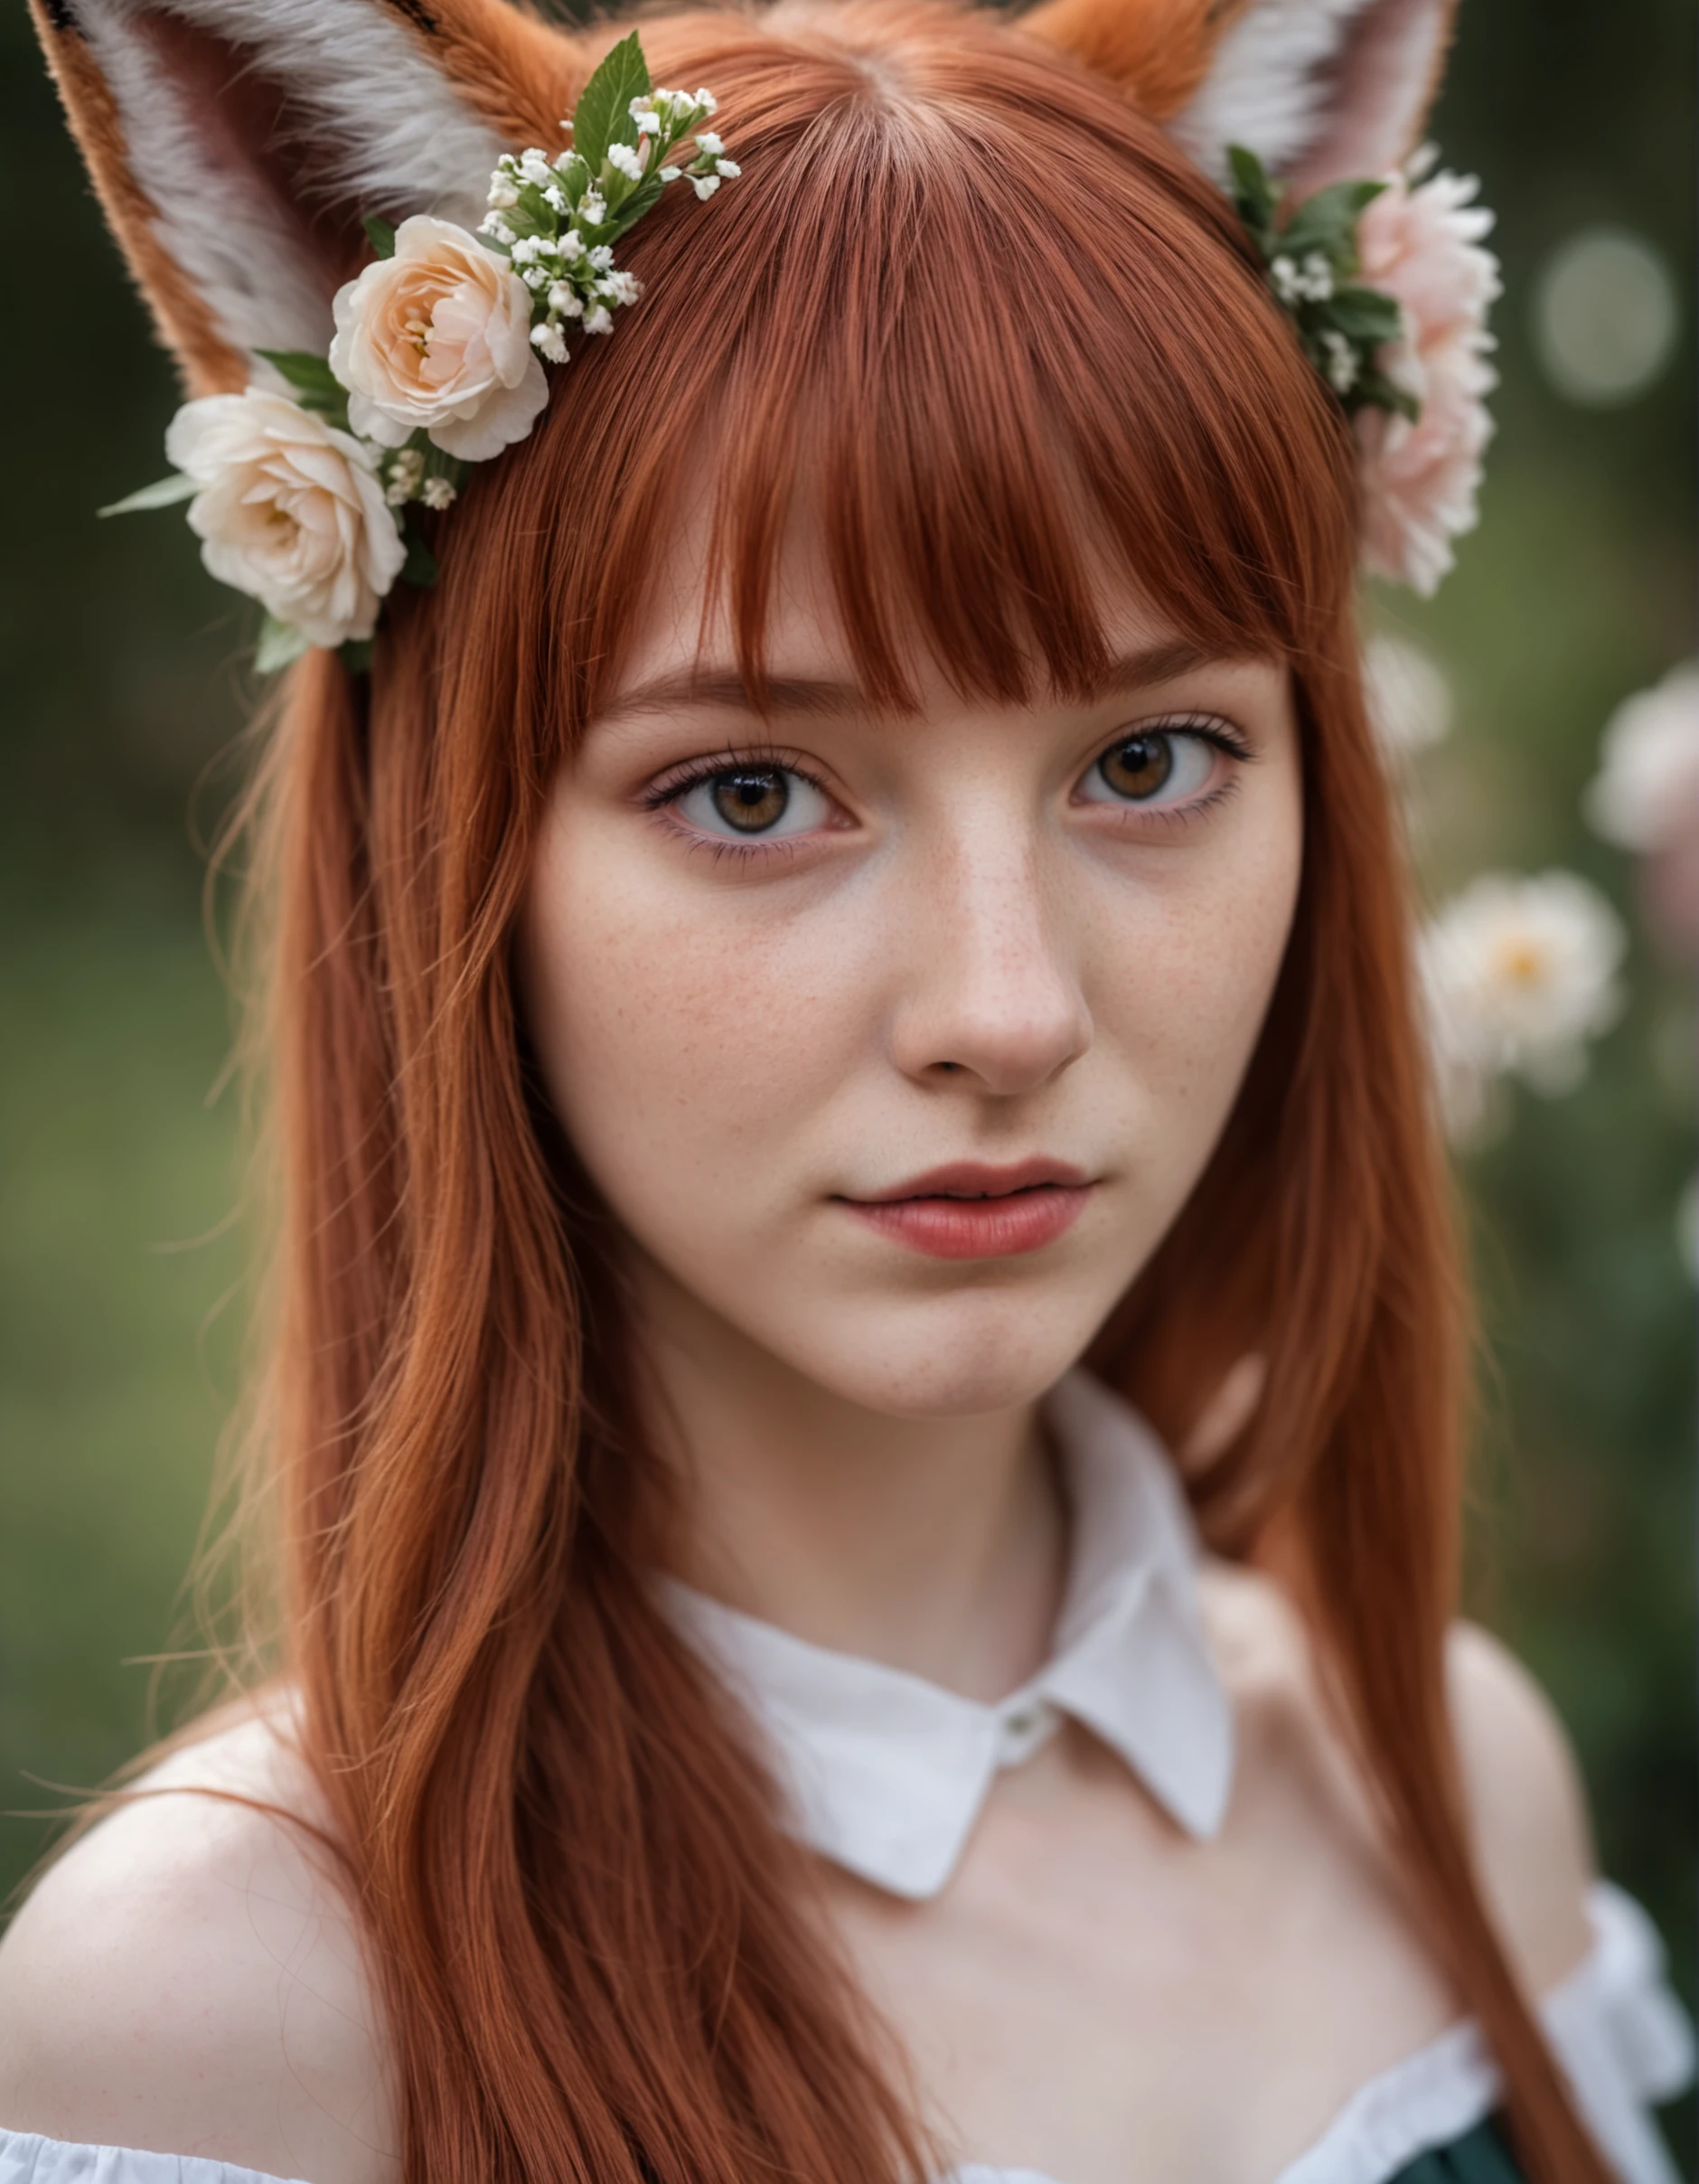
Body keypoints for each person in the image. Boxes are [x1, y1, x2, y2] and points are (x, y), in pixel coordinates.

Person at [0, 0, 1689, 2180]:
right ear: (462, 858)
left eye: (1149, 759)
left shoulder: (1443, 1793)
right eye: (753, 786)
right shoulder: (222, 2017)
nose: (1005, 1008)